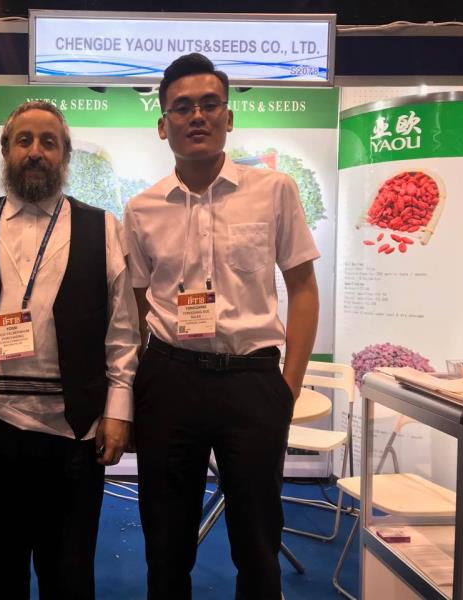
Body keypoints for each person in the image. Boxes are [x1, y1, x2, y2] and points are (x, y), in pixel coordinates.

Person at [0, 100, 139, 600]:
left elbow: (123, 333)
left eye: (49, 142)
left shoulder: (103, 228)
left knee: (69, 576)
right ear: (6, 150)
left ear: (65, 155)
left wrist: (118, 410)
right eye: (24, 140)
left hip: (72, 431)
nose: (36, 152)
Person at [124, 53, 320, 600]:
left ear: (228, 118)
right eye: (182, 107)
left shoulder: (274, 190)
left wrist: (287, 386)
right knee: (166, 540)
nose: (197, 116)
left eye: (210, 104)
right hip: (170, 379)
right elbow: (136, 309)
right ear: (162, 125)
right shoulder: (141, 209)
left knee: (258, 541)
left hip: (252, 380)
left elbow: (303, 290)